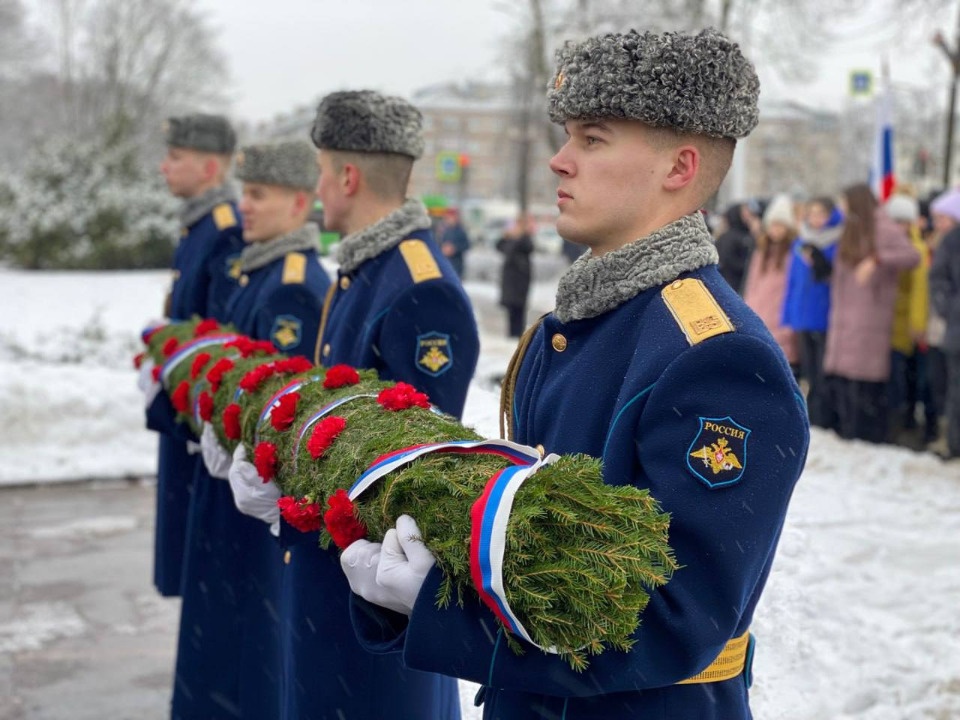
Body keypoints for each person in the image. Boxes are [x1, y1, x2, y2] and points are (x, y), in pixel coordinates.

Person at [340, 29, 809, 719]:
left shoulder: (715, 355)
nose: (559, 161)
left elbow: (672, 618)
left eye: (592, 139)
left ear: (679, 167)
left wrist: (446, 620)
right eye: (567, 137)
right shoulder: (586, 322)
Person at [228, 90, 473, 720]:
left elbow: (409, 477)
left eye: (318, 171)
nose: (315, 188)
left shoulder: (418, 287)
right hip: (333, 586)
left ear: (347, 176)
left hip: (371, 611)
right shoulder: (365, 271)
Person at [178, 140, 329, 719]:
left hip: (253, 508)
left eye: (258, 194)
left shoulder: (292, 283)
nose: (245, 205)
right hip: (230, 489)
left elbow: (277, 409)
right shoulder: (257, 271)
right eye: (244, 192)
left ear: (298, 203)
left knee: (247, 653)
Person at [145, 114, 243, 598]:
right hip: (183, 405)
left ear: (208, 168)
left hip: (199, 417)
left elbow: (221, 336)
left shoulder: (223, 229)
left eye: (175, 158)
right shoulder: (199, 225)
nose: (164, 167)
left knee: (205, 570)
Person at [821, 184, 919, 443]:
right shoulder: (853, 228)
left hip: (869, 315)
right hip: (845, 314)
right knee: (845, 379)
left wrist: (877, 260)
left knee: (864, 383)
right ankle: (848, 431)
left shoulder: (882, 226)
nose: (842, 208)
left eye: (845, 203)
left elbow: (912, 255)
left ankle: (867, 435)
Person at [781, 195, 844, 428]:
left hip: (824, 314)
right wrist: (787, 315)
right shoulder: (800, 242)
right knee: (808, 371)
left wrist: (821, 264)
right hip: (802, 314)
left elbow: (835, 279)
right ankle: (814, 414)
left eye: (821, 214)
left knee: (822, 371)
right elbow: (792, 282)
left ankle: (823, 416)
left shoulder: (837, 241)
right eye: (812, 213)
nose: (816, 219)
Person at [885, 194, 934, 447]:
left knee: (905, 379)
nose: (901, 227)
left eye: (905, 221)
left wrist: (917, 324)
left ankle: (904, 424)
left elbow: (919, 292)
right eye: (896, 221)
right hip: (886, 324)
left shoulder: (917, 249)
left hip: (905, 326)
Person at [743, 193, 799, 375]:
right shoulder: (762, 251)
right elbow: (752, 282)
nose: (775, 230)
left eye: (780, 225)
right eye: (773, 225)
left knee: (782, 366)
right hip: (760, 310)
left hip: (781, 314)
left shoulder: (793, 252)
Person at [929, 187, 960, 458]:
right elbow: (938, 280)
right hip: (958, 329)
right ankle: (954, 442)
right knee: (956, 388)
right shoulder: (952, 241)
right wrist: (952, 309)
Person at [496, 213, 535, 337]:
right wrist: (506, 236)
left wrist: (519, 236)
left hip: (521, 278)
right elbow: (499, 247)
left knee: (520, 308)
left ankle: (518, 334)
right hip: (510, 278)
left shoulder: (524, 239)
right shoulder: (510, 238)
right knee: (510, 308)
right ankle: (511, 333)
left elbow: (528, 248)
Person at [714, 201, 754, 293]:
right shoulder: (735, 238)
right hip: (733, 284)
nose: (747, 216)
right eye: (744, 213)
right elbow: (729, 260)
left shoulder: (727, 236)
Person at [437, 207, 471, 277]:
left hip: (457, 263)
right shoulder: (443, 231)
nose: (449, 219)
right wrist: (443, 249)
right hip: (444, 262)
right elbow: (438, 243)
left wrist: (455, 249)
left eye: (451, 217)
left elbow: (467, 245)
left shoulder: (460, 231)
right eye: (447, 217)